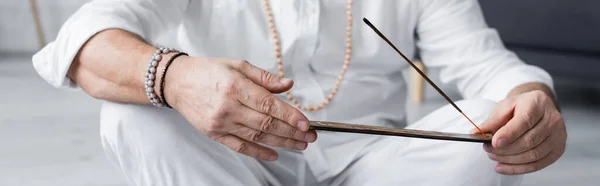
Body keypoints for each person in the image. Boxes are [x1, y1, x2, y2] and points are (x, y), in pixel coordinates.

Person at [32, 0, 567, 185]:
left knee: (481, 128)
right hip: (232, 164)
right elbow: (84, 45)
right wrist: (174, 76)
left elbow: (488, 66)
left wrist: (531, 102)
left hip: (378, 165)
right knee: (133, 114)